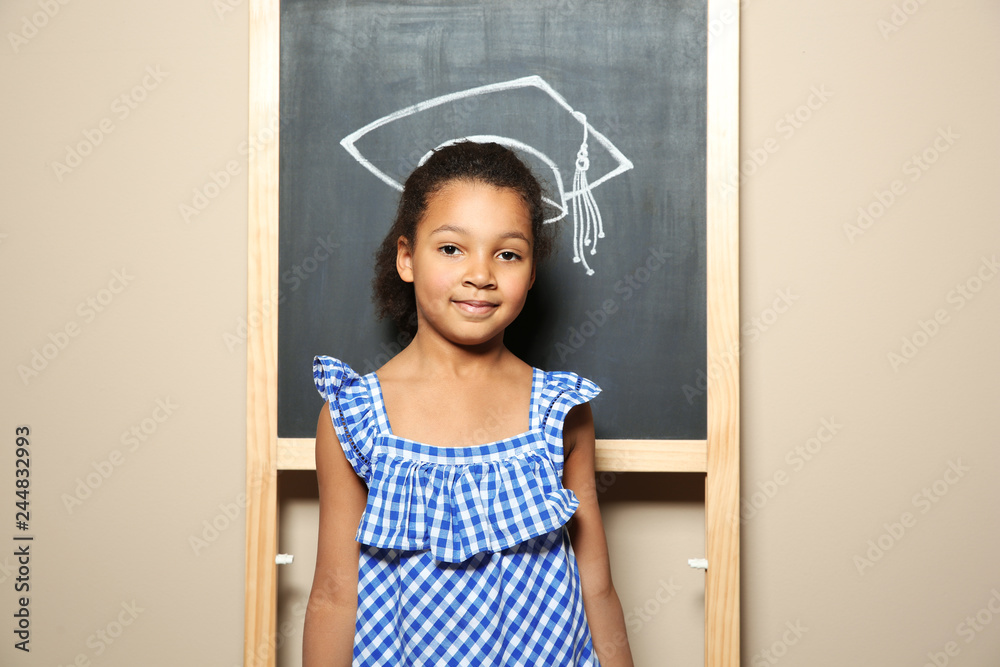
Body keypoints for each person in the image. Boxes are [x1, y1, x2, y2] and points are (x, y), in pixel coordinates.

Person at [302, 141, 633, 666]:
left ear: (530, 269)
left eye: (508, 253)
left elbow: (597, 590)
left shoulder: (560, 409)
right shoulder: (353, 414)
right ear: (407, 258)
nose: (481, 274)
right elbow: (335, 596)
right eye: (452, 248)